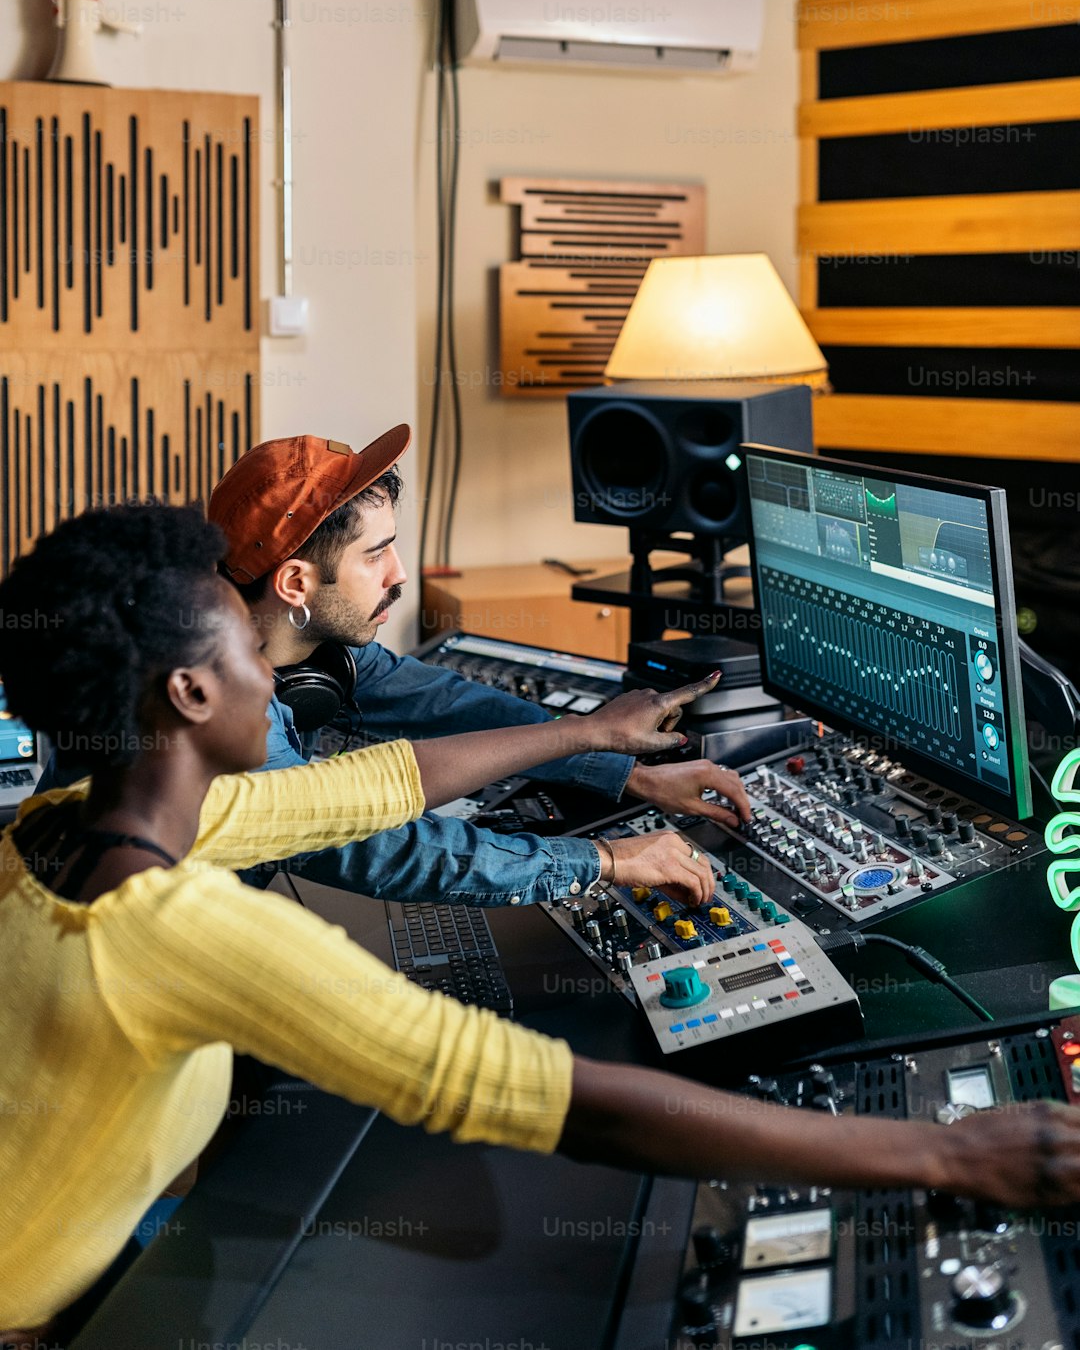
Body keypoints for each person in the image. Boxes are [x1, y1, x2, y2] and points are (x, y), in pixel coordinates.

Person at [2, 502, 1079, 1344]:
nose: (270, 671)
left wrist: (593, 740)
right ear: (192, 695)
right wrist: (945, 1154)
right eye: (245, 647)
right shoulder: (180, 931)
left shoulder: (59, 821)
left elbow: (383, 783)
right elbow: (538, 1096)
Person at [207, 427, 753, 902]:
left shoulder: (313, 651)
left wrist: (624, 769)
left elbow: (449, 706)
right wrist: (605, 860)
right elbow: (388, 849)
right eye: (375, 555)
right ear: (296, 584)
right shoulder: (225, 715)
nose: (398, 576)